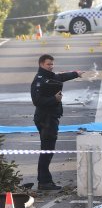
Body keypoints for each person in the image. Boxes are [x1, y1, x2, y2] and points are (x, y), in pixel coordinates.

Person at [30, 54, 83, 190]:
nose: (51, 66)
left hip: (51, 118)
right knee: (47, 150)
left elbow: (60, 77)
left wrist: (75, 74)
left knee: (48, 150)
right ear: (41, 64)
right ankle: (44, 182)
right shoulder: (39, 80)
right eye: (48, 64)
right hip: (45, 119)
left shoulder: (49, 76)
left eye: (52, 64)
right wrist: (54, 99)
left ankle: (45, 180)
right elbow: (37, 101)